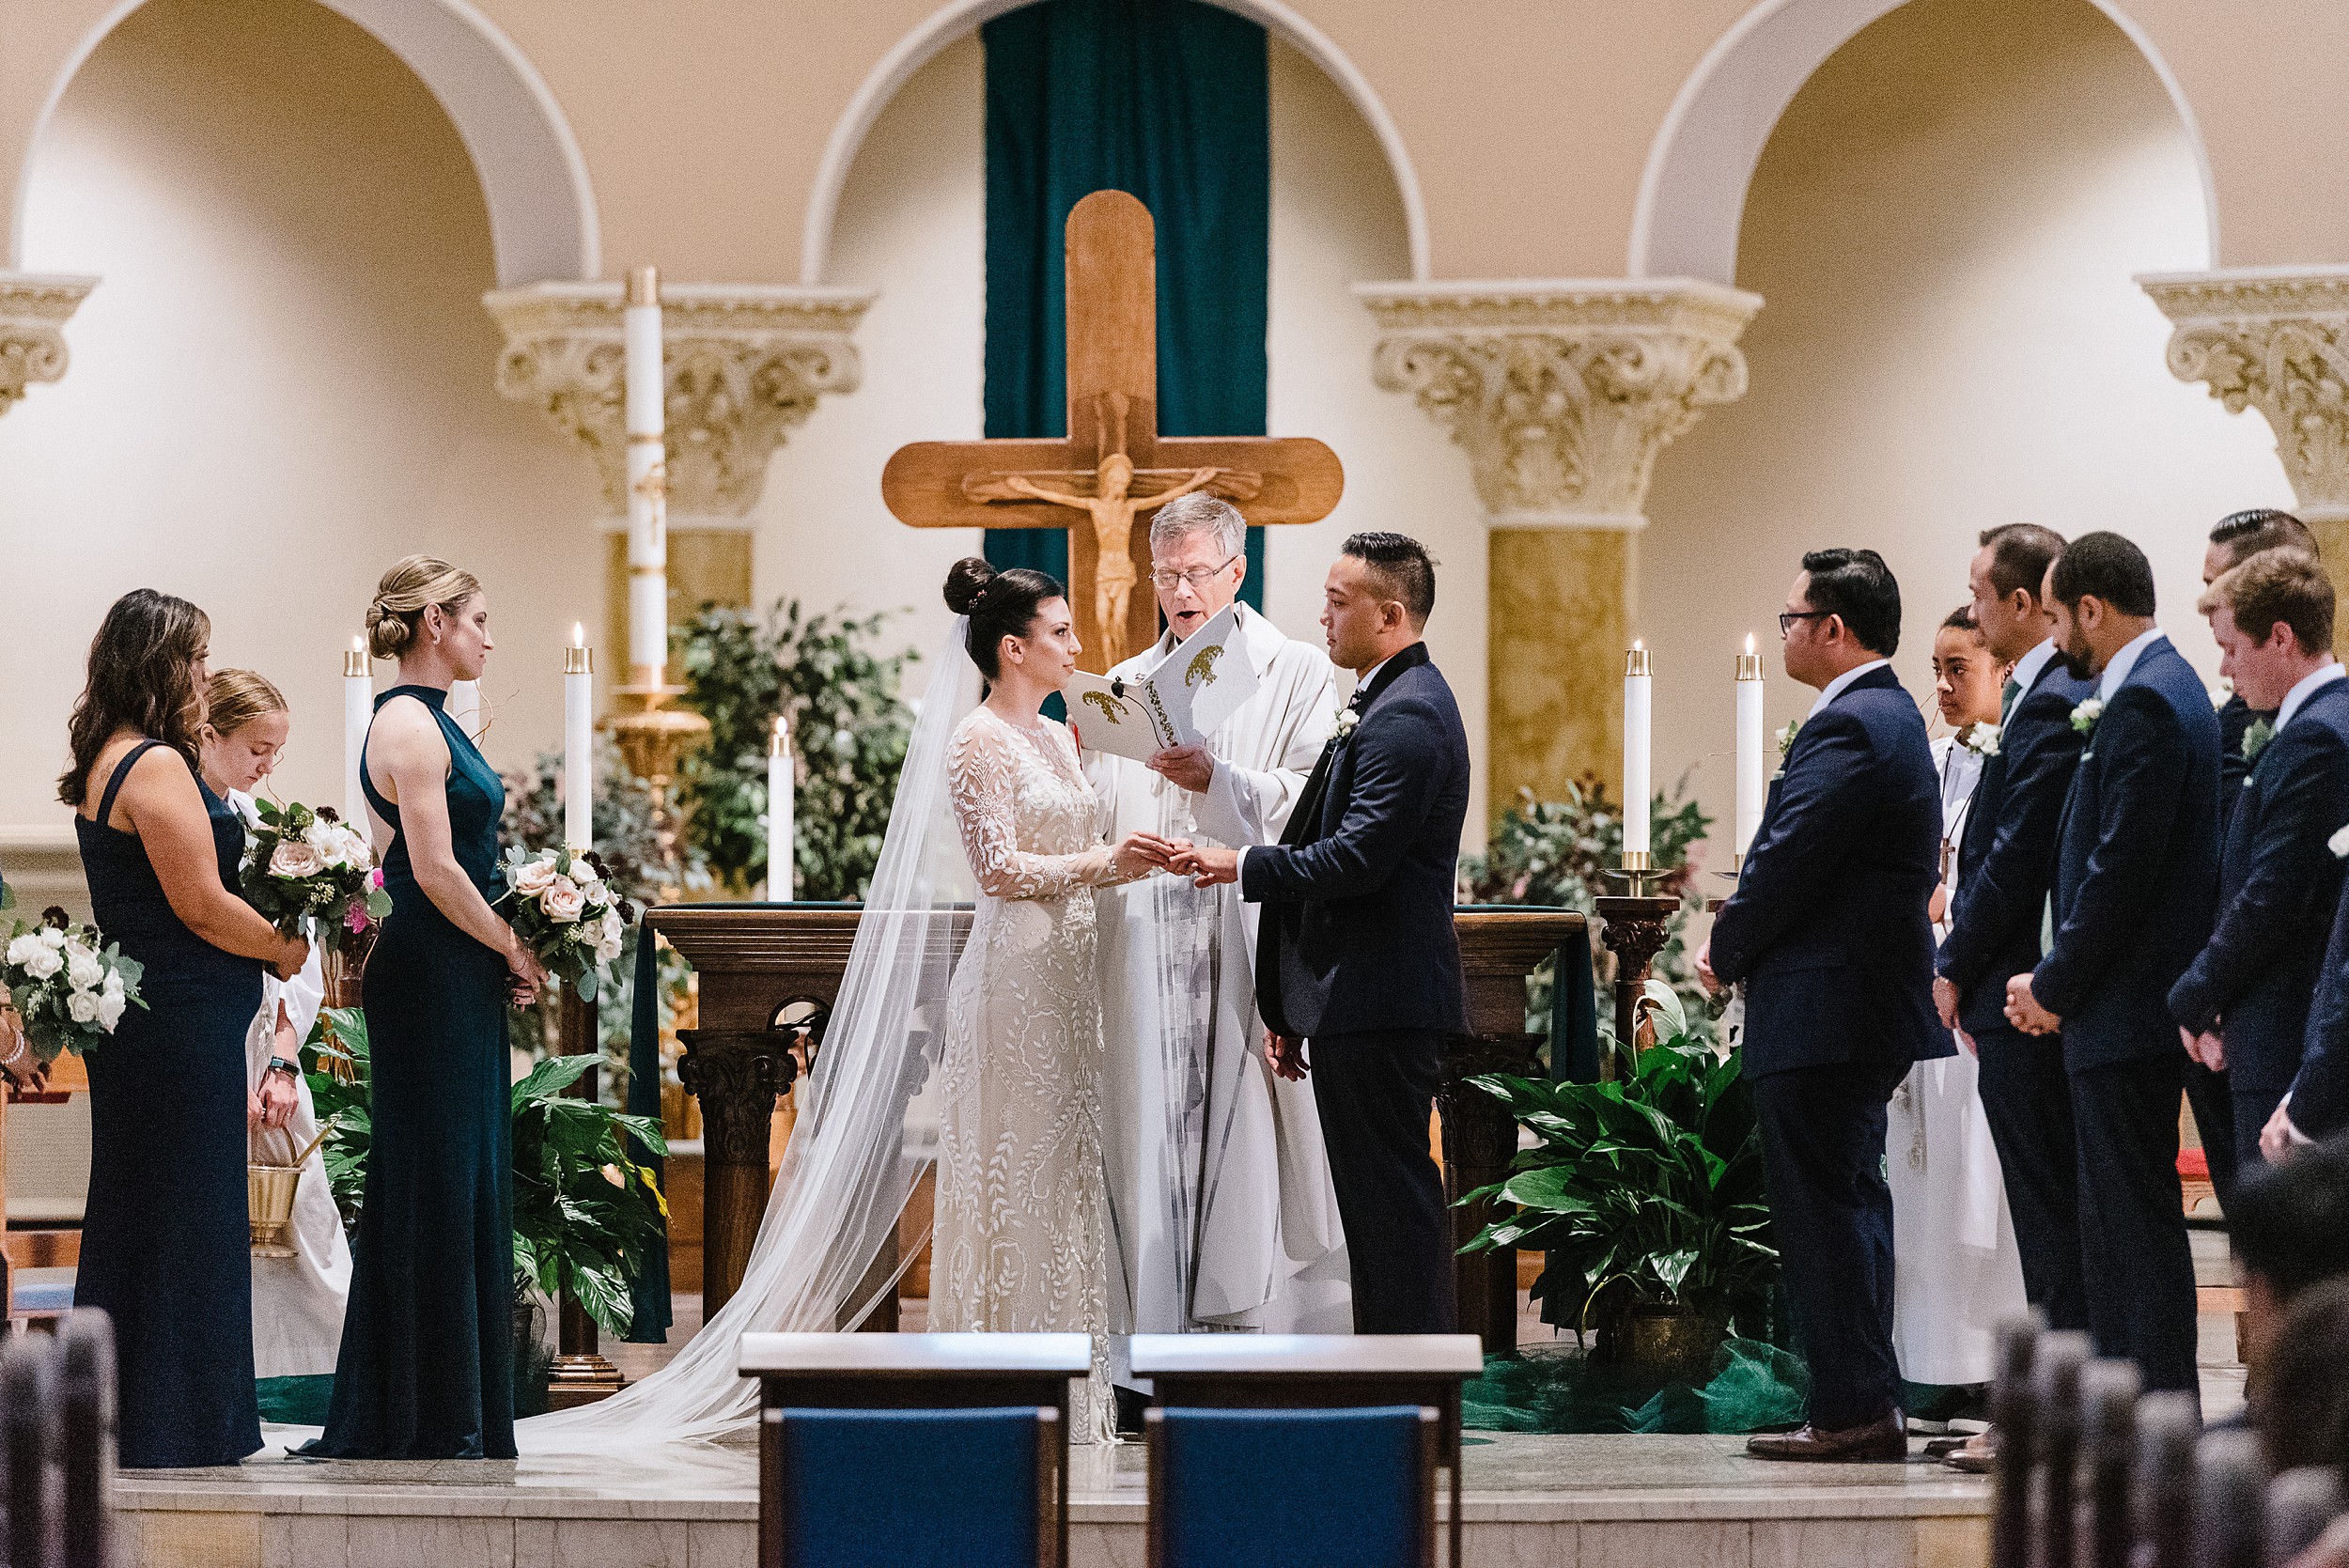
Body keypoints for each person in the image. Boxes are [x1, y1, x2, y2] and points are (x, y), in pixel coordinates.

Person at [1086, 495, 1348, 1410]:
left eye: (1198, 572)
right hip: (1142, 951)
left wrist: (1218, 781)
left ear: (1237, 573)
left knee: (1236, 1155)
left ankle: (1237, 1356)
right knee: (1142, 1143)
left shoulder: (1296, 671)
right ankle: (1137, 1360)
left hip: (1237, 940)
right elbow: (1101, 811)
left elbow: (1309, 802)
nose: (1181, 591)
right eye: (1166, 574)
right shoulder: (1125, 683)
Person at [1175, 533, 1471, 1336]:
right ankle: (1395, 1381)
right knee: (1378, 1208)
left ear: (1391, 612)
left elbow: (1356, 859)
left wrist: (1240, 863)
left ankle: (1414, 1390)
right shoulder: (1384, 701)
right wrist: (1293, 1003)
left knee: (1394, 1208)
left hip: (1383, 998)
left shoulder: (1407, 715)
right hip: (1358, 999)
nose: (1323, 616)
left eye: (1340, 604)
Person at [1700, 548, 1939, 1462]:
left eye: (1791, 618)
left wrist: (1725, 945)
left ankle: (1849, 1409)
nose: (1784, 631)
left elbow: (1789, 853)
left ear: (1834, 629)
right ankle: (1858, 1399)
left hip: (1829, 1009)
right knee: (1846, 1207)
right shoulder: (1884, 716)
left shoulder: (1853, 725)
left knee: (1826, 1216)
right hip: (1852, 1005)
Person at [61, 589, 308, 1468]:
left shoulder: (111, 755)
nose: (207, 672)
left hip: (154, 1024)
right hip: (178, 1027)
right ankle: (182, 1423)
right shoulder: (157, 763)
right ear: (159, 663)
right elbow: (200, 903)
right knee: (187, 1214)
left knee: (143, 1207)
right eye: (196, 657)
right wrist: (284, 948)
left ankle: (128, 1414)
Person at [308, 556, 545, 1461]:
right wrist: (510, 942)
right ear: (435, 622)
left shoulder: (438, 718)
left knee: (464, 1166)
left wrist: (507, 939)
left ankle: (455, 1402)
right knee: (436, 1171)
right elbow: (435, 869)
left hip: (453, 960)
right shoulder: (407, 723)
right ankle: (422, 1404)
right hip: (433, 959)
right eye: (478, 619)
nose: (489, 636)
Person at [932, 557, 1173, 1440]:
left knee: (1069, 1172)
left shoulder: (1057, 735)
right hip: (1017, 980)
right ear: (1013, 647)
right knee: (1017, 1169)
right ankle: (1003, 1390)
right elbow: (997, 870)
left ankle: (1076, 1390)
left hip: (1071, 978)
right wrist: (1109, 864)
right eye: (1061, 631)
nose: (1078, 645)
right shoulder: (978, 740)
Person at [2004, 532, 2217, 1401]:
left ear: (2093, 609)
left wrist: (2053, 985)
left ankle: (2152, 1411)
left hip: (2123, 1012)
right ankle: (2139, 1411)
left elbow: (2120, 871)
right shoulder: (2160, 689)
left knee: (2129, 1228)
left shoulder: (2148, 704)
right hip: (2125, 1008)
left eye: (2059, 619)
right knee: (2120, 1224)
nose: (2058, 642)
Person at [1930, 523, 2092, 1472]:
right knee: (2046, 1216)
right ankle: (2047, 1412)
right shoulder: (2040, 698)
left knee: (2049, 1217)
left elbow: (2010, 857)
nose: (1977, 614)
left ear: (2027, 603)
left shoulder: (2050, 701)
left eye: (1983, 597)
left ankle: (2049, 1420)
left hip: (2022, 991)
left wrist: (1954, 962)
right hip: (2015, 987)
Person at [197, 668, 351, 1419]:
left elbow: (299, 955)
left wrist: (285, 1061)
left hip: (268, 1042)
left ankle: (324, 1380)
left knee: (304, 1214)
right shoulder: (183, 823)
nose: (265, 766)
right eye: (257, 748)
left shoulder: (264, 829)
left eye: (276, 752)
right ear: (208, 734)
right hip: (208, 1038)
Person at [1890, 606, 2028, 1408]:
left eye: (1959, 669)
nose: (1940, 686)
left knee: (1988, 1195)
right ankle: (1927, 1364)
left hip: (1980, 992)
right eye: (1934, 668)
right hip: (1918, 989)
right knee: (1923, 1186)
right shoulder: (1926, 758)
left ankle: (1988, 1367)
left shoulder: (2017, 760)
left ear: (2001, 670)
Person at [2170, 550, 2349, 1166]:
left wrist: (2190, 994)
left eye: (2231, 647)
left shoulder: (2318, 735)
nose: (2223, 667)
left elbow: (2272, 893)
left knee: (2282, 1256)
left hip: (2285, 1033)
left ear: (2281, 637)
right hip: (2272, 1024)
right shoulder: (2315, 723)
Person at [2195, 509, 2318, 1204]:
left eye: (2221, 584)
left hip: (2276, 1007)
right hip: (2233, 1002)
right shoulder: (2241, 712)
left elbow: (2267, 880)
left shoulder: (2307, 728)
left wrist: (2204, 990)